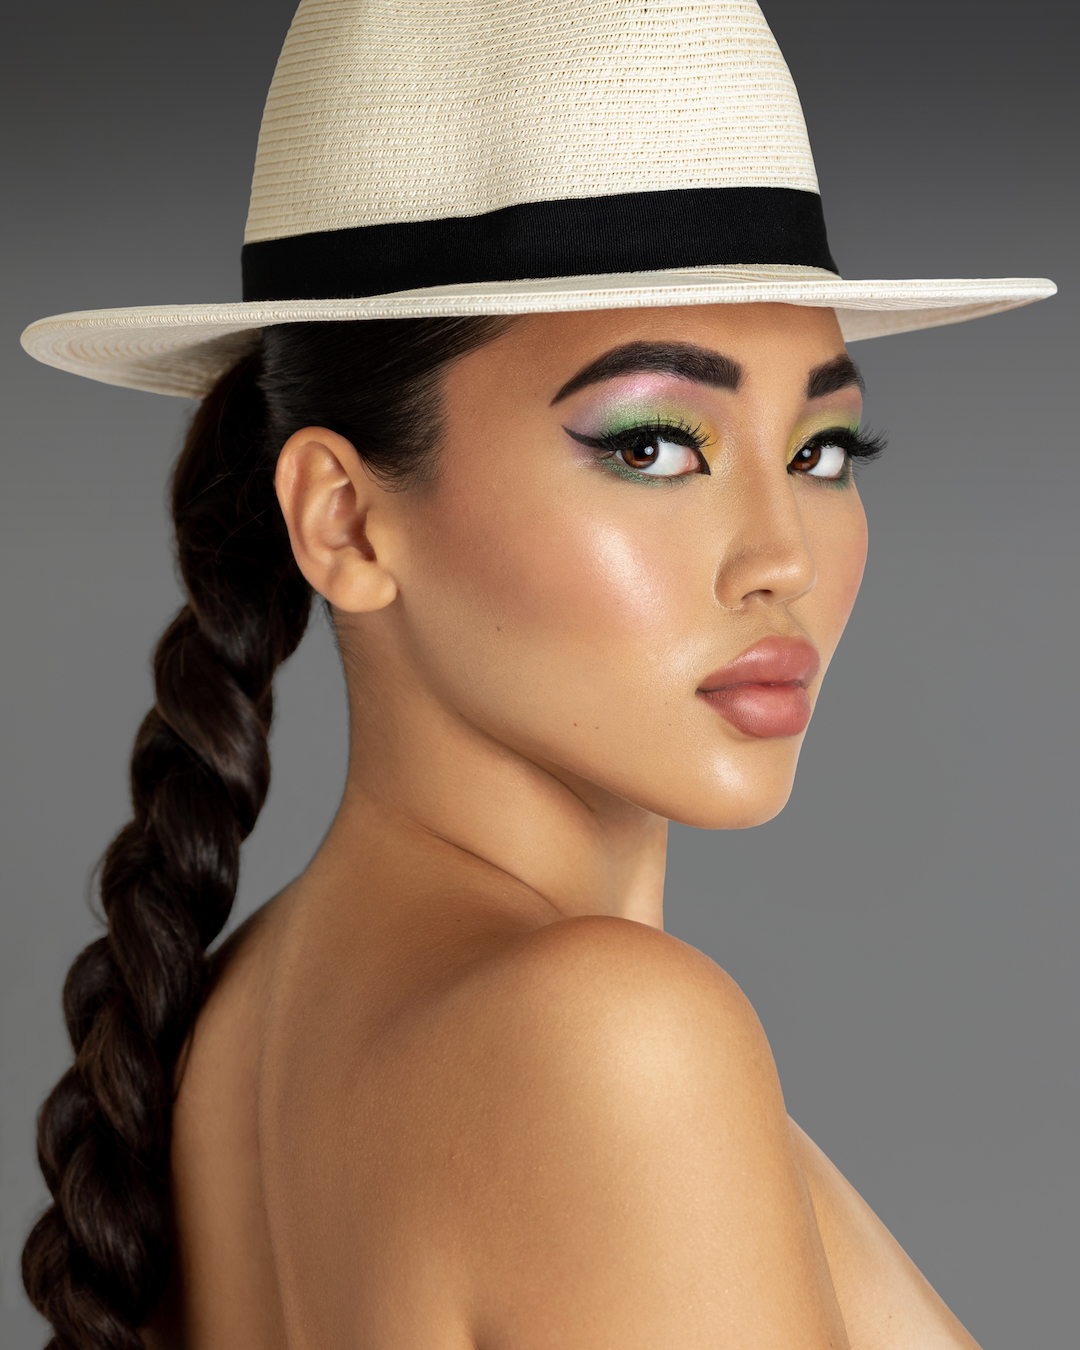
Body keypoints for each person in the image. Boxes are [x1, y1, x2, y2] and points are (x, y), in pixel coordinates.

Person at [18, 2, 1055, 1347]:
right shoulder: (616, 1046)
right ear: (344, 517)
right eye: (652, 446)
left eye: (821, 451)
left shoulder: (229, 1024)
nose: (779, 557)